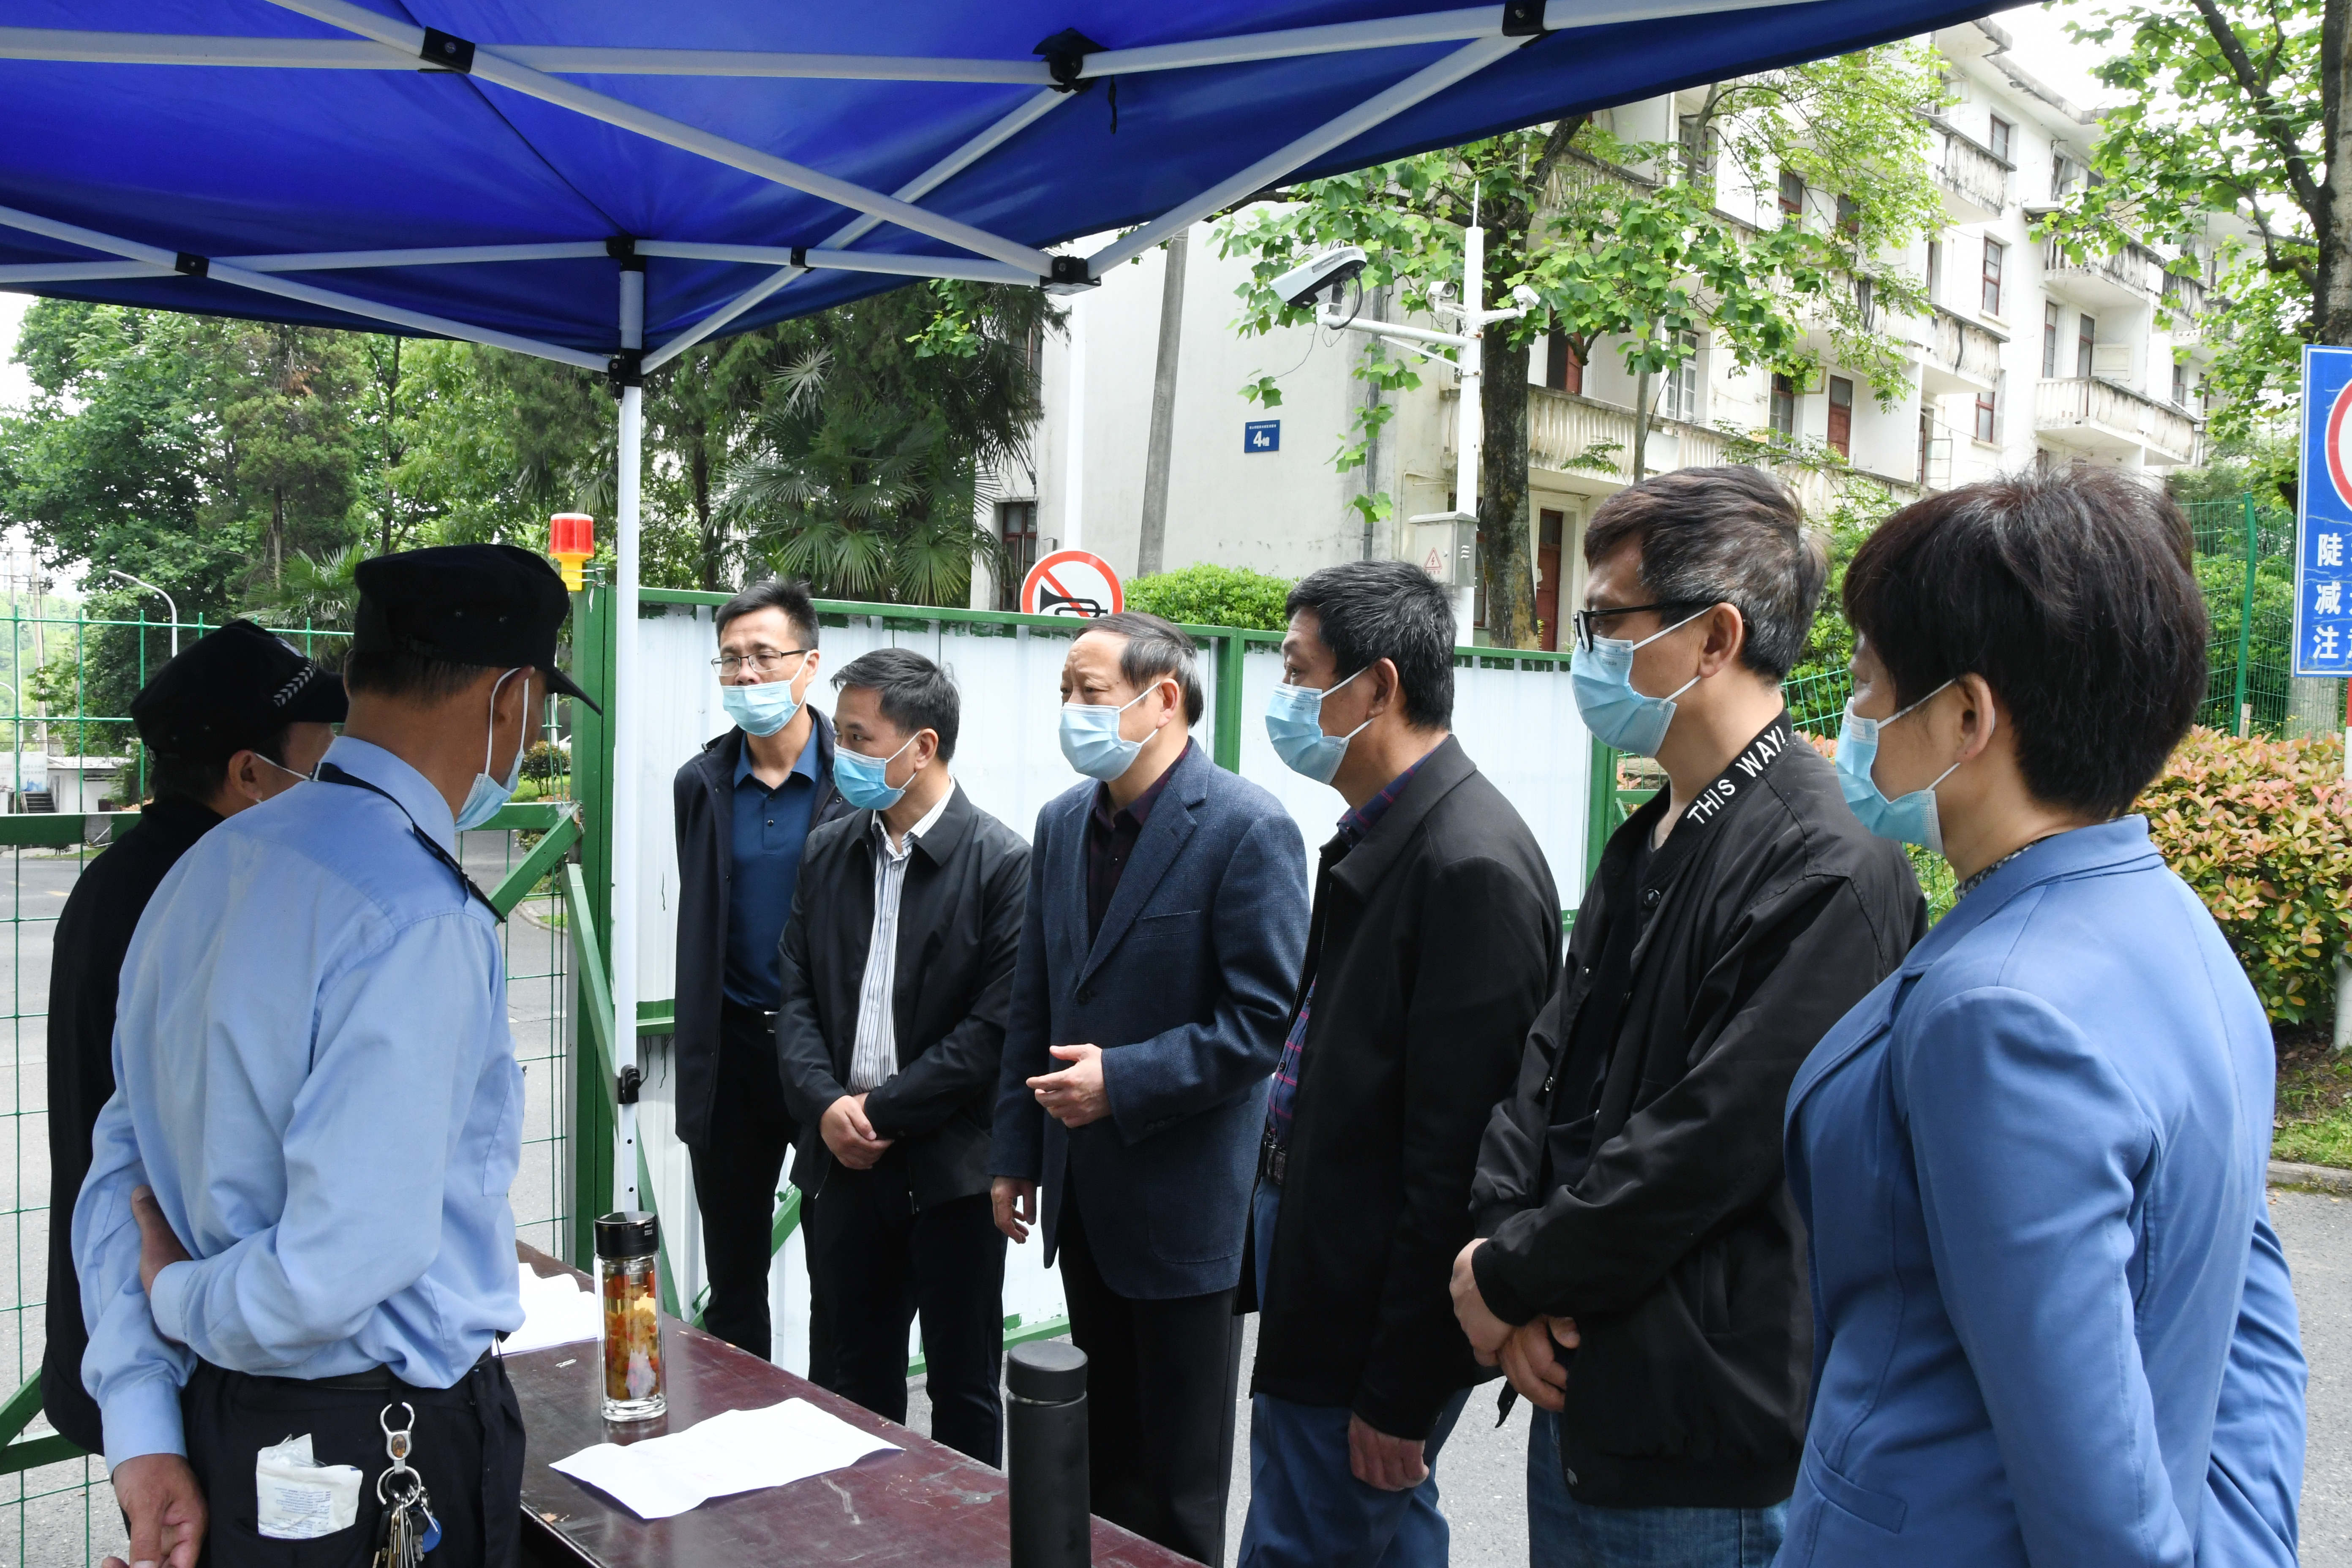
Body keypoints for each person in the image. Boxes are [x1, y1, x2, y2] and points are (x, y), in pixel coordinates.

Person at [1777, 469, 2306, 1566]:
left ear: (1968, 716)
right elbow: (2249, 1328)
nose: (1856, 720)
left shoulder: (1997, 1015)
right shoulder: (2176, 928)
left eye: (1871, 684)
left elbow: (2094, 1505)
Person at [74, 543, 596, 1568]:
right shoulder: (417, 916)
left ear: (357, 677)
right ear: (512, 699)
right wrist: (180, 1296)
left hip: (221, 1425)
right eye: (539, 711)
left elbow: (120, 1176)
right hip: (376, 1445)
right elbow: (340, 1263)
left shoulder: (203, 871)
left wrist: (141, 1422)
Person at [1450, 467, 1924, 1568]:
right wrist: (1497, 1246)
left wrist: (1514, 1277)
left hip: (1705, 1436)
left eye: (1607, 622)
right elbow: (1548, 1066)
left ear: (1714, 638)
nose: (1587, 651)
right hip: (1577, 1383)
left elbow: (1713, 1140)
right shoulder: (1647, 835)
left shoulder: (1829, 865)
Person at [1238, 561, 1560, 1568]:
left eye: (1299, 672)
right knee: (1360, 1531)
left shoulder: (1468, 865)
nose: (1285, 698)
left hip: (1364, 1313)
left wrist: (1401, 1386)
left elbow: (1457, 1165)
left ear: (1376, 687)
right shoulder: (1385, 836)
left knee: (1316, 1537)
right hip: (1325, 1271)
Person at [990, 610, 1309, 1567]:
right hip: (1084, 1199)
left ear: (1162, 698)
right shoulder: (1061, 824)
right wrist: (1013, 1152)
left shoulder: (1248, 827)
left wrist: (1122, 1080)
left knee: (1177, 1487)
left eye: (1089, 692)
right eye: (1065, 691)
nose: (1071, 710)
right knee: (1098, 1470)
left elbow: (1263, 1022)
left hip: (1185, 1213)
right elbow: (1034, 999)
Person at [41, 622, 345, 1458]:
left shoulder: (131, 873)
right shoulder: (207, 895)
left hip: (133, 1320)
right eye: (318, 761)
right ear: (249, 774)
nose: (331, 783)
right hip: (171, 1335)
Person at [776, 648, 1028, 1464]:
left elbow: (991, 1031)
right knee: (849, 1386)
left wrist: (881, 1111)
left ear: (922, 747)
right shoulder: (828, 850)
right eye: (841, 736)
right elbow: (796, 997)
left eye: (859, 737)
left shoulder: (1002, 864)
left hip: (951, 1173)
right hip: (842, 1163)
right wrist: (827, 1106)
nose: (840, 753)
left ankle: (966, 1531)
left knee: (963, 1390)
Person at [672, 577, 851, 1365]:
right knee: (734, 1278)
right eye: (731, 659)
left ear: (809, 664)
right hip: (735, 1048)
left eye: (763, 656)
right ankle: (740, 1419)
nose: (746, 674)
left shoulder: (857, 780)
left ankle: (833, 1422)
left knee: (839, 1272)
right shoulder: (701, 784)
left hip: (829, 1055)